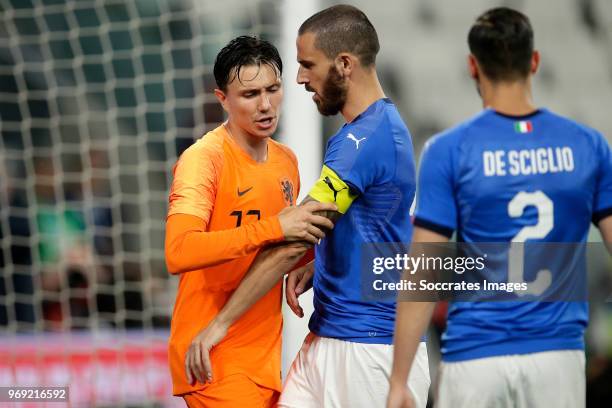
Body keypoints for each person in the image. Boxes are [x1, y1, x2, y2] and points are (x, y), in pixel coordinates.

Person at [387, 7, 612, 408]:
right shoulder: (588, 145)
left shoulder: (448, 150)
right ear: (535, 61)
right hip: (556, 356)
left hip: (475, 355)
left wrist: (400, 378)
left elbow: (425, 268)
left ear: (473, 66)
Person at [165, 35, 335, 407]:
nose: (265, 105)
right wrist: (275, 227)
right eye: (249, 94)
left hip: (263, 357)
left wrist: (308, 263)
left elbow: (281, 243)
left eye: (273, 89)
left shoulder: (285, 160)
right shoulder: (203, 160)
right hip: (212, 356)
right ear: (222, 99)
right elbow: (178, 252)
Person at [278, 5, 430, 407]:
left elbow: (298, 231)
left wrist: (221, 320)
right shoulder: (373, 131)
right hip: (330, 335)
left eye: (308, 64)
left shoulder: (364, 141)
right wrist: (321, 261)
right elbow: (371, 224)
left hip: (370, 350)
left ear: (344, 64)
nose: (299, 77)